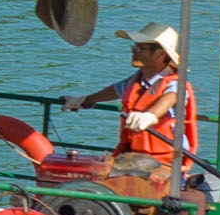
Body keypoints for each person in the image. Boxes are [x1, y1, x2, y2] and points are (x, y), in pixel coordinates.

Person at [66, 23, 198, 190]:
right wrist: (83, 100)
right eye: (134, 47)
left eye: (140, 48)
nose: (134, 51)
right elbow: (114, 90)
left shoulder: (176, 84)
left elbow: (171, 98)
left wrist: (150, 115)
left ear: (160, 53)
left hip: (166, 162)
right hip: (135, 158)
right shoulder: (136, 81)